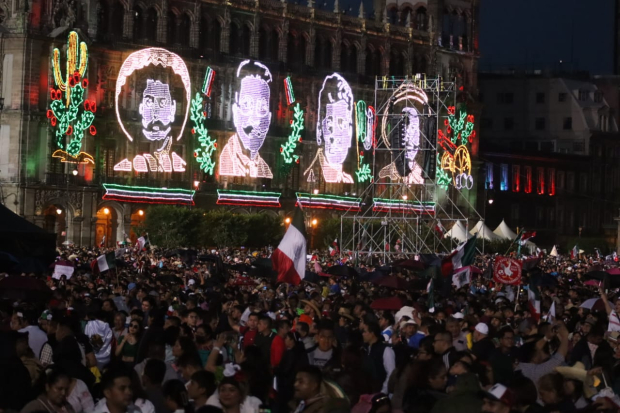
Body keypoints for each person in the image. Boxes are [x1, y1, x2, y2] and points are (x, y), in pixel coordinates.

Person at [219, 60, 273, 179]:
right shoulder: (226, 160)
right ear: (235, 111)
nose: (255, 120)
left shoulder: (265, 170)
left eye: (262, 108)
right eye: (247, 105)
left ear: (269, 118)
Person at [304, 73, 355, 184]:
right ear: (320, 129)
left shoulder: (348, 178)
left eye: (341, 123)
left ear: (350, 132)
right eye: (329, 122)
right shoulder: (312, 172)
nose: (334, 135)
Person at [361, 322, 395, 394]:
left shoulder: (386, 350)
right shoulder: (365, 349)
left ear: (372, 333)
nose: (362, 334)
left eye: (365, 332)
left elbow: (391, 373)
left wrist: (383, 391)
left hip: (380, 392)